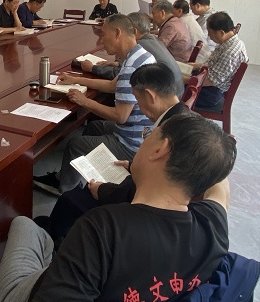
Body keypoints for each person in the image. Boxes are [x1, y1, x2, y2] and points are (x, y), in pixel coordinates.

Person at [0, 113, 236, 302]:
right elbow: (220, 189)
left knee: (24, 225)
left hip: (37, 291)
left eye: (149, 134)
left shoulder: (104, 229)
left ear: (160, 150)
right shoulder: (213, 224)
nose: (144, 139)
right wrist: (215, 152)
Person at [36, 63, 189, 245]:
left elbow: (146, 188)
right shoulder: (181, 118)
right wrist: (131, 167)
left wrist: (103, 191)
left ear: (150, 96)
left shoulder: (167, 134)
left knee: (70, 199)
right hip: (152, 190)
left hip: (143, 205)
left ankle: (54, 240)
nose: (139, 108)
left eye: (138, 101)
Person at [33, 14, 156, 195]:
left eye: (104, 34)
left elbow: (120, 116)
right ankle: (79, 175)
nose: (101, 39)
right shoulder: (140, 55)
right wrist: (75, 79)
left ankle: (65, 190)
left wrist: (84, 101)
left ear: (117, 33)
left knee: (75, 144)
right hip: (141, 134)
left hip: (132, 144)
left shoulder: (131, 68)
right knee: (94, 127)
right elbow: (112, 85)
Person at [80, 12, 184, 97]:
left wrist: (93, 68)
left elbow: (122, 75)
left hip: (168, 96)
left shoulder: (140, 47)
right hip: (176, 92)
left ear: (134, 31)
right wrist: (117, 63)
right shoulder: (152, 39)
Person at [191, 12, 248, 110]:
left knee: (171, 90)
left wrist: (185, 80)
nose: (209, 36)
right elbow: (212, 64)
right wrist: (193, 66)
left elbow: (212, 81)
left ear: (221, 33)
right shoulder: (229, 42)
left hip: (211, 93)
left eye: (210, 32)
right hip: (208, 83)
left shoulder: (230, 53)